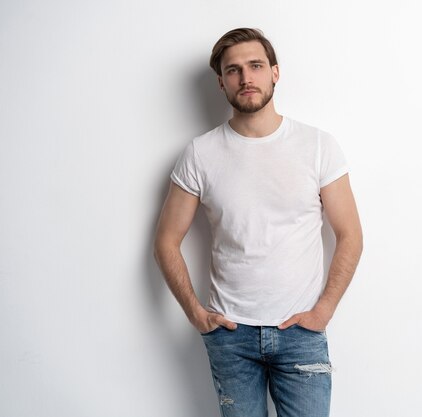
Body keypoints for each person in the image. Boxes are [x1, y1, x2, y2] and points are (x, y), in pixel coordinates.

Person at [154, 27, 363, 417]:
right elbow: (166, 241)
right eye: (233, 70)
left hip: (301, 333)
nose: (246, 78)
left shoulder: (318, 146)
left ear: (275, 73)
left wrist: (324, 311)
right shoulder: (201, 153)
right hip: (230, 336)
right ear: (221, 82)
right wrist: (197, 315)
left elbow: (350, 234)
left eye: (255, 66)